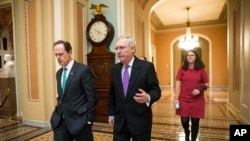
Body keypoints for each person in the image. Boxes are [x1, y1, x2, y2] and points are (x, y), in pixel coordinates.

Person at [108, 35, 161, 141]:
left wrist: (148, 97)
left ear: (132, 49)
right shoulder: (114, 69)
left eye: (122, 48)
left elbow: (156, 91)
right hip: (120, 121)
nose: (118, 51)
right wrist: (111, 114)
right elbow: (112, 94)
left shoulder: (147, 67)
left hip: (140, 121)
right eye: (117, 48)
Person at [50, 40, 98, 141]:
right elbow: (62, 96)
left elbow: (92, 97)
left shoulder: (83, 70)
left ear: (70, 52)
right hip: (61, 122)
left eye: (61, 54)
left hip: (80, 121)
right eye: (56, 55)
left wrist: (89, 120)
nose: (58, 57)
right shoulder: (59, 73)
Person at [175, 50, 208, 141]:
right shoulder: (182, 68)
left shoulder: (201, 69)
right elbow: (178, 83)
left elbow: (206, 84)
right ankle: (186, 131)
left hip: (197, 99)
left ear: (196, 57)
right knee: (184, 120)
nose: (190, 56)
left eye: (192, 55)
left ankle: (193, 139)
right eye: (188, 55)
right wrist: (176, 98)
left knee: (195, 121)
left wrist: (199, 90)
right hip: (183, 98)